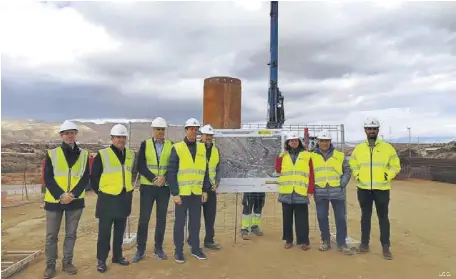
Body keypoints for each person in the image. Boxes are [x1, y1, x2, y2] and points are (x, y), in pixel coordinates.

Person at [42, 120, 90, 279]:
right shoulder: (52, 153)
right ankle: (50, 264)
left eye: (72, 133)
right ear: (61, 136)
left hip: (75, 201)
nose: (70, 136)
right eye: (67, 133)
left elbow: (84, 178)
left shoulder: (84, 154)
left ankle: (67, 262)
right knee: (51, 235)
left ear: (75, 135)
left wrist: (73, 195)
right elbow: (48, 178)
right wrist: (61, 195)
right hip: (55, 201)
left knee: (71, 234)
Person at [349, 117, 401, 260]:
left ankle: (385, 246)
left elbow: (396, 166)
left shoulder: (387, 148)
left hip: (382, 190)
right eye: (369, 128)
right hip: (364, 189)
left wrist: (387, 175)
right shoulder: (359, 149)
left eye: (374, 128)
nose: (371, 131)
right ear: (365, 130)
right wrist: (357, 175)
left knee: (383, 218)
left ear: (378, 130)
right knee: (365, 217)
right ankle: (364, 244)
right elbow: (352, 163)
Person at [91, 124, 136, 272]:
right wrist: (102, 192)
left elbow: (132, 173)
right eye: (118, 137)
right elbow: (94, 177)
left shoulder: (130, 154)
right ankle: (101, 260)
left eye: (123, 137)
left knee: (120, 231)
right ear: (112, 138)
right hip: (107, 199)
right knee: (104, 232)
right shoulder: (103, 155)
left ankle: (117, 256)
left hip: (124, 198)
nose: (121, 140)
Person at [167, 118, 210, 263]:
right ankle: (178, 251)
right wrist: (175, 193)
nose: (193, 131)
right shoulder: (177, 148)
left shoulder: (202, 148)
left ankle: (195, 249)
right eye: (190, 128)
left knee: (196, 223)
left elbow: (205, 171)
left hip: (196, 193)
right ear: (186, 130)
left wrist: (205, 190)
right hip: (182, 194)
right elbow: (171, 172)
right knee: (179, 223)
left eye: (195, 129)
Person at [132, 117, 173, 262]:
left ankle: (158, 249)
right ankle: (140, 250)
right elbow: (140, 165)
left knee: (161, 219)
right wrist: (153, 178)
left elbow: (172, 165)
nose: (160, 132)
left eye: (162, 129)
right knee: (144, 219)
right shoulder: (145, 144)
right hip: (148, 187)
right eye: (158, 129)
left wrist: (165, 177)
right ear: (153, 130)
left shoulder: (171, 145)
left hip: (164, 188)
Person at [311, 130, 352, 255]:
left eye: (326, 141)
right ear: (318, 142)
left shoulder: (339, 155)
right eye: (322, 141)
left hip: (337, 191)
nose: (324, 143)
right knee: (322, 217)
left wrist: (342, 183)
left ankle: (341, 243)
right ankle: (325, 241)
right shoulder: (311, 156)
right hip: (320, 191)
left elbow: (347, 170)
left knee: (340, 218)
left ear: (330, 142)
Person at [275, 131, 313, 250]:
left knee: (302, 218)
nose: (294, 142)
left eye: (296, 140)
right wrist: (280, 157)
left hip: (300, 191)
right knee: (287, 218)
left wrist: (310, 189)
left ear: (299, 142)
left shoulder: (307, 155)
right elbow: (278, 170)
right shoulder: (283, 156)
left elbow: (311, 173)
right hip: (286, 192)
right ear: (287, 143)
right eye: (291, 141)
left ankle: (304, 241)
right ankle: (288, 240)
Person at [187, 124, 221, 250]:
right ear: (201, 136)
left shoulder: (216, 150)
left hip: (210, 189)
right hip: (197, 188)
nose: (209, 137)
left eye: (211, 135)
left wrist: (217, 181)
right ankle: (192, 240)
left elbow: (217, 167)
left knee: (210, 216)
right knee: (195, 217)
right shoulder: (195, 149)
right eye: (207, 135)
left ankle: (209, 240)